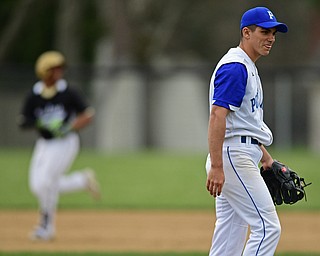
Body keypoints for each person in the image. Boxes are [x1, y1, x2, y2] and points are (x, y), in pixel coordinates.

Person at [205, 7, 288, 256]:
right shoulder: (235, 67)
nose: (271, 37)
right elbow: (218, 116)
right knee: (267, 228)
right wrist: (218, 166)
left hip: (239, 152)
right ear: (246, 32)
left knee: (230, 234)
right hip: (233, 157)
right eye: (264, 31)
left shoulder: (247, 66)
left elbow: (242, 123)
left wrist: (265, 157)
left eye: (273, 32)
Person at [17, 51, 101, 241]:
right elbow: (23, 121)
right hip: (44, 144)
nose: (59, 72)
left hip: (65, 142)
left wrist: (68, 127)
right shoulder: (35, 95)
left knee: (45, 182)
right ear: (44, 72)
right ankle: (82, 181)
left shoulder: (68, 92)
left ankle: (46, 227)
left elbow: (87, 114)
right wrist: (40, 124)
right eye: (55, 69)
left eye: (60, 69)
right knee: (37, 186)